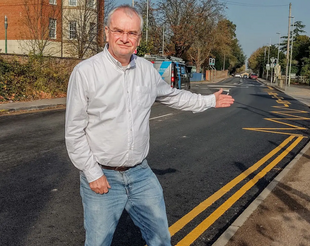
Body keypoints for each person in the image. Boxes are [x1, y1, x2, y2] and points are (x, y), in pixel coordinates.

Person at [65, 5, 234, 246]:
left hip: (140, 174)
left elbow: (173, 96)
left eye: (132, 33)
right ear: (106, 33)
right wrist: (93, 174)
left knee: (160, 240)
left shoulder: (146, 70)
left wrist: (209, 100)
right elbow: (74, 132)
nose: (125, 38)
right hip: (102, 175)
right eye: (118, 31)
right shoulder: (85, 73)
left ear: (138, 38)